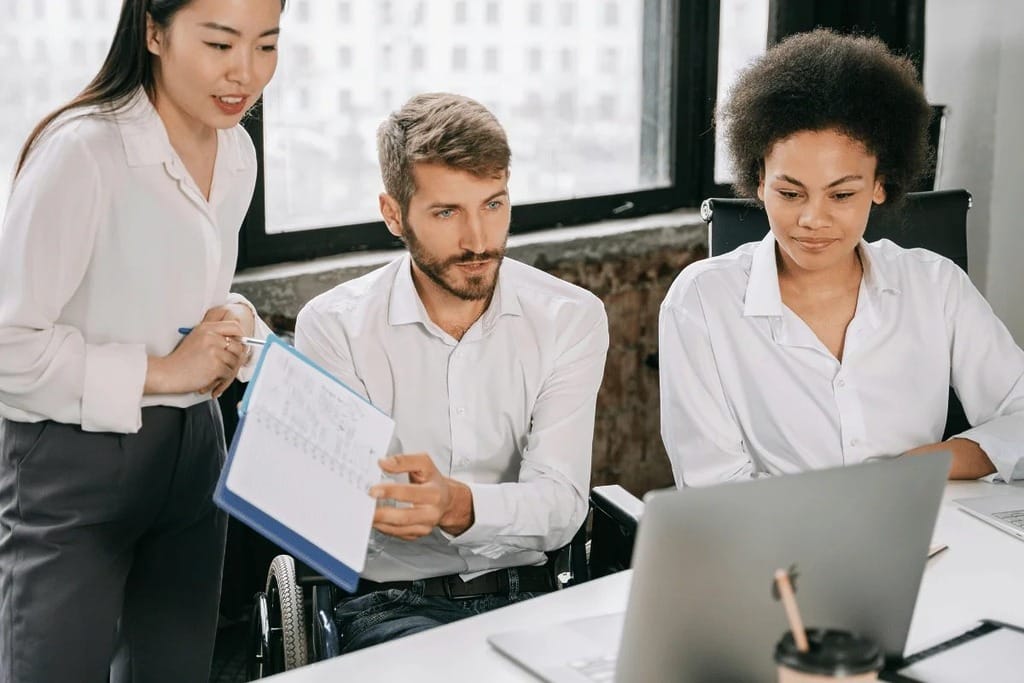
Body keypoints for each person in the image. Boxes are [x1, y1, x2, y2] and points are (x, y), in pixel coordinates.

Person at [0, 1, 284, 681]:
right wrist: (161, 371)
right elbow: (8, 347)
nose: (244, 72)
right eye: (220, 43)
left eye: (267, 45)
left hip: (193, 456)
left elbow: (190, 295)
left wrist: (237, 322)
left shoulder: (236, 150)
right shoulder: (83, 152)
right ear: (153, 31)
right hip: (73, 464)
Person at [295, 92, 609, 653]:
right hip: (393, 604)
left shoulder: (570, 318)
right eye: (447, 212)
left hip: (538, 597)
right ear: (394, 214)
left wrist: (456, 504)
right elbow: (333, 509)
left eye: (493, 204)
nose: (479, 240)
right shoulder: (335, 327)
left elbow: (562, 506)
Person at [659, 29, 1024, 488]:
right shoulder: (701, 302)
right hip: (777, 548)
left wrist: (925, 466)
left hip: (924, 536)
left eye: (842, 194)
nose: (813, 219)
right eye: (790, 192)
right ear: (758, 182)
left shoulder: (935, 286)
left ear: (880, 185)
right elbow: (711, 485)